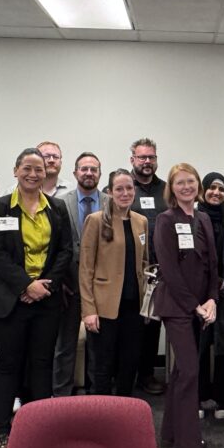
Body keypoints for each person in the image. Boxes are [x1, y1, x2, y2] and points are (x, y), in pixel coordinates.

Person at [0, 148, 72, 448]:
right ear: (16, 170)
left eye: (39, 169)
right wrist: (25, 285)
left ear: (46, 173)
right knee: (8, 365)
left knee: (42, 365)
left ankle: (38, 429)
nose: (33, 174)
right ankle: (2, 433)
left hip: (45, 299)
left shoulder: (57, 208)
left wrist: (44, 286)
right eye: (27, 168)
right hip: (9, 300)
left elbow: (65, 251)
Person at [154, 163, 218, 448]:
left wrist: (212, 299)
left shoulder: (203, 218)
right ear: (171, 188)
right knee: (191, 371)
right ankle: (188, 447)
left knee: (182, 371)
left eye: (190, 181)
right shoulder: (165, 220)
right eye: (179, 182)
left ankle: (170, 432)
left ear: (198, 185)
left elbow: (213, 264)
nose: (186, 187)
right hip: (177, 307)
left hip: (201, 306)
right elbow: (169, 270)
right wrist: (195, 306)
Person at [79, 169, 148, 396]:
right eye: (119, 189)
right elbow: (86, 269)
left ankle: (124, 411)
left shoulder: (141, 221)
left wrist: (148, 301)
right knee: (103, 365)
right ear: (109, 192)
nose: (125, 193)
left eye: (129, 188)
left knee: (129, 363)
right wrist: (89, 310)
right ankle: (102, 413)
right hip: (105, 307)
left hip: (134, 306)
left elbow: (144, 263)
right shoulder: (96, 221)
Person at [54, 151, 102, 396]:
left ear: (99, 174)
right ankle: (60, 394)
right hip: (69, 284)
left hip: (101, 286)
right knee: (65, 343)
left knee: (98, 345)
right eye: (84, 169)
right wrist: (59, 280)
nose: (89, 173)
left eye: (94, 169)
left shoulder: (111, 202)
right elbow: (55, 245)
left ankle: (96, 395)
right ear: (75, 173)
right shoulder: (60, 202)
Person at [130, 137, 169, 396]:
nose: (147, 161)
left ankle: (146, 375)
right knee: (128, 324)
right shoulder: (123, 187)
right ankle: (125, 375)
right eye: (142, 157)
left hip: (158, 269)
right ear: (132, 159)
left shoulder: (166, 189)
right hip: (130, 268)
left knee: (152, 324)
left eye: (151, 157)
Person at [197, 172, 224, 420]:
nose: (216, 192)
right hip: (200, 292)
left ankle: (222, 398)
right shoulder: (193, 218)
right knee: (200, 347)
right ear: (202, 190)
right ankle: (200, 397)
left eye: (221, 189)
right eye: (211, 187)